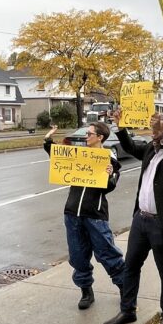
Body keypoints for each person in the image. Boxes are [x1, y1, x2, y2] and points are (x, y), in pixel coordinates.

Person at [103, 112, 163, 324]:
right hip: (141, 220)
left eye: (157, 136)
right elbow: (131, 147)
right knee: (131, 265)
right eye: (153, 136)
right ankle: (128, 310)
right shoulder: (151, 149)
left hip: (162, 223)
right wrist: (120, 126)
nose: (153, 139)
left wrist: (162, 138)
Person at [43, 121, 124, 310]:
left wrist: (110, 174)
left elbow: (110, 186)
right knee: (78, 255)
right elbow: (57, 156)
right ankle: (86, 291)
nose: (86, 137)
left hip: (95, 215)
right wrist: (49, 137)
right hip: (72, 214)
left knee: (107, 254)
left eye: (89, 134)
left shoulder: (109, 158)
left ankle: (124, 287)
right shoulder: (80, 154)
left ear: (99, 138)